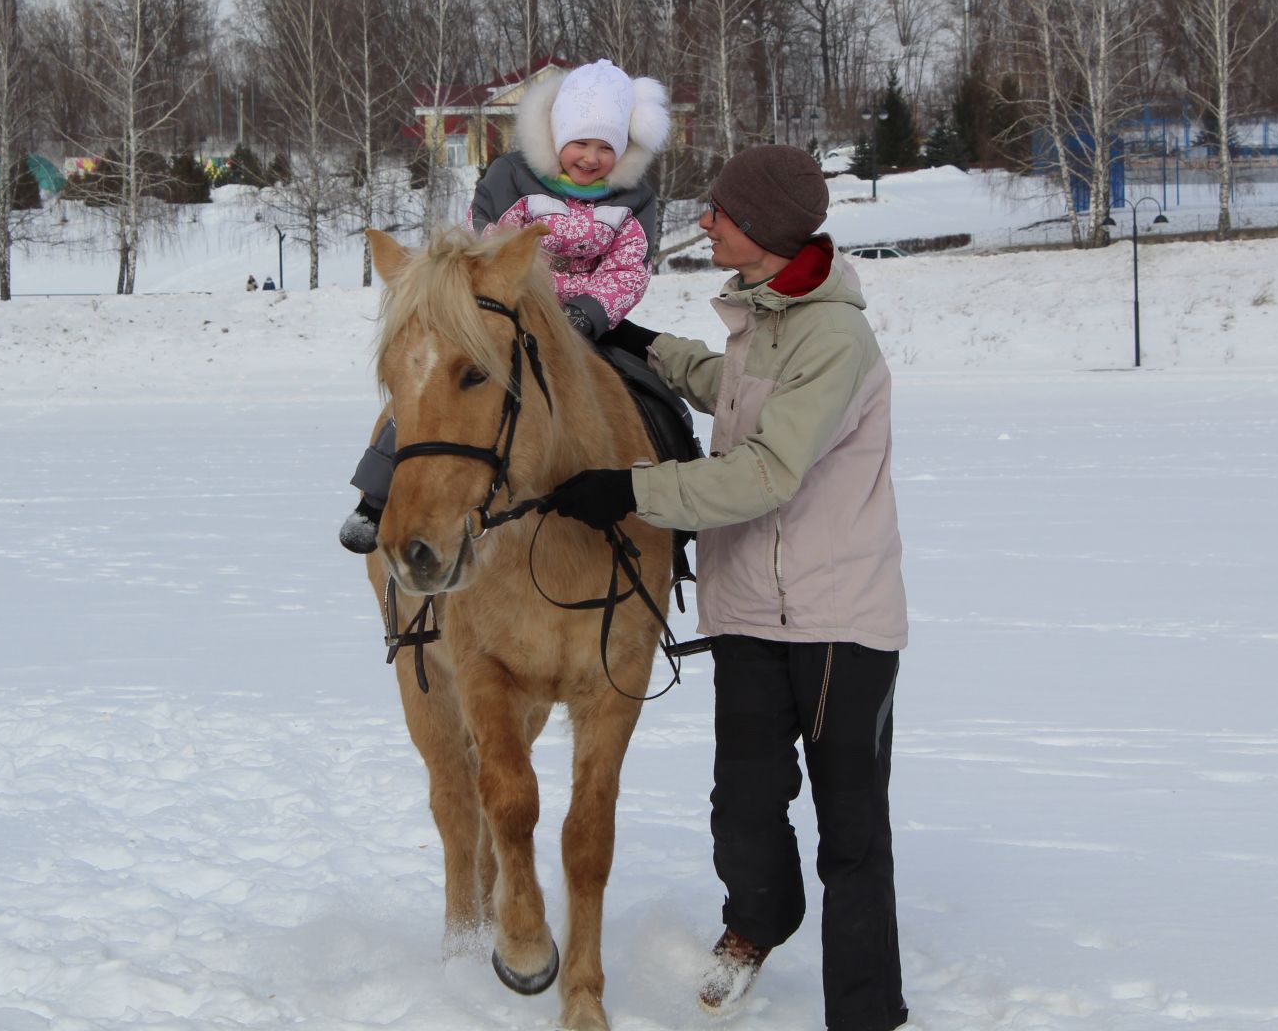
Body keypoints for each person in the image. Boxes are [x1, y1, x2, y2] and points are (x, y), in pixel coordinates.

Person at [542, 145, 910, 1031]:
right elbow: (729, 391)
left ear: (767, 229)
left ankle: (865, 1013)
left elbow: (768, 470)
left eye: (720, 212)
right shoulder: (763, 314)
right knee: (743, 810)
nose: (705, 222)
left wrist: (630, 490)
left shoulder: (834, 336)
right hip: (748, 613)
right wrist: (645, 346)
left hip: (838, 623)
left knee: (850, 832)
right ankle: (757, 924)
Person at [339, 58, 670, 554]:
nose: (591, 157)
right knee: (435, 388)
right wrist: (517, 299)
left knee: (657, 389)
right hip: (510, 310)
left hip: (592, 319)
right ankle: (378, 489)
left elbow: (629, 267)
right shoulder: (512, 177)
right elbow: (491, 242)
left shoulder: (634, 198)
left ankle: (673, 510)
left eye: (606, 146)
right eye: (580, 142)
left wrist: (588, 312)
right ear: (557, 136)